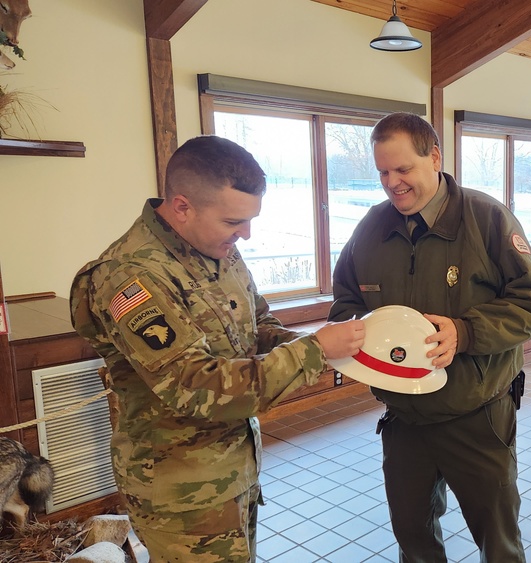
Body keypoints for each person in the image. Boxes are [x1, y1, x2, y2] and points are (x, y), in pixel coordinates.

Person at [70, 135, 365, 562]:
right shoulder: (129, 277)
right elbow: (193, 385)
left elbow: (258, 326)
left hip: (235, 470)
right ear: (183, 206)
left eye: (249, 220)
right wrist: (314, 351)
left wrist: (327, 346)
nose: (246, 234)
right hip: (181, 494)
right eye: (233, 222)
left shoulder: (216, 249)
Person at [327, 112, 531, 562]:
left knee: (499, 543)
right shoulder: (370, 229)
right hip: (404, 419)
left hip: (478, 415)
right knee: (413, 537)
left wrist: (467, 332)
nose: (392, 183)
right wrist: (355, 333)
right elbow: (345, 303)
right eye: (382, 172)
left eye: (403, 169)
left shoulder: (487, 217)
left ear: (434, 157)